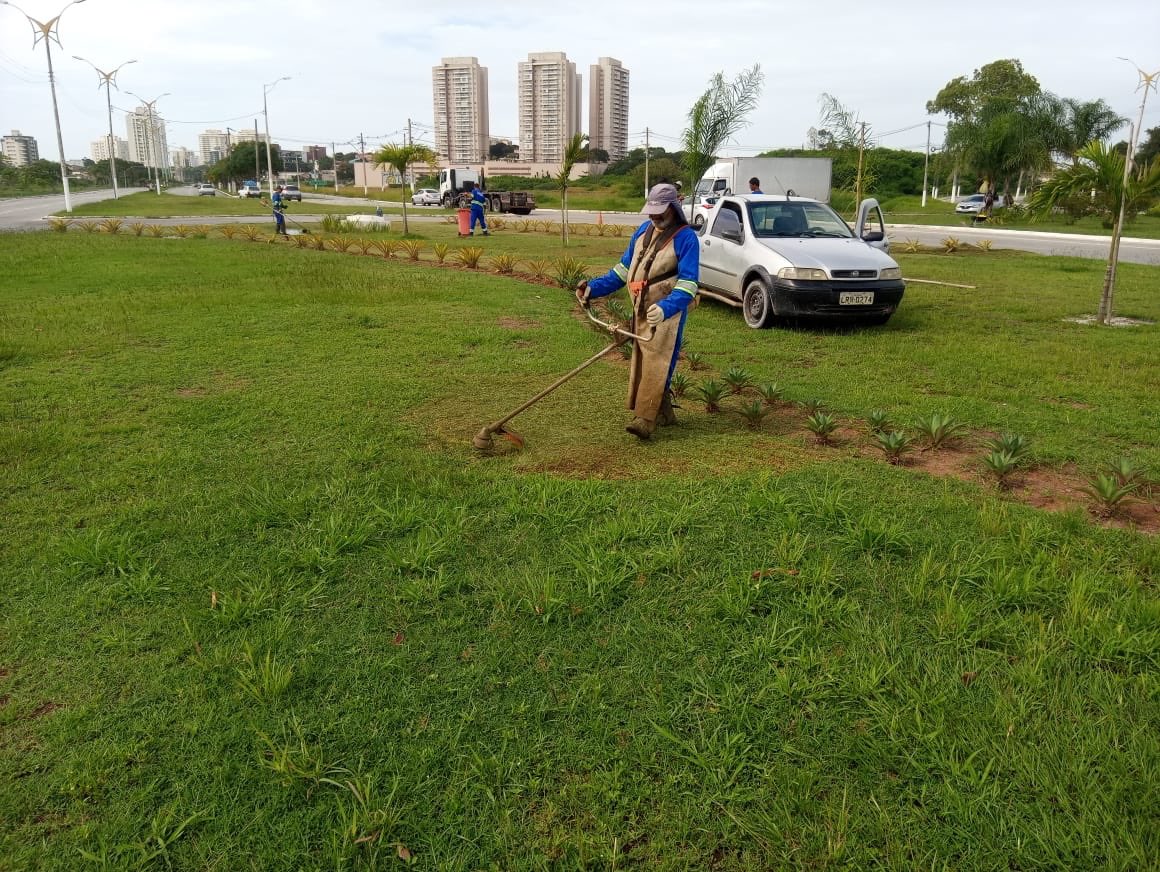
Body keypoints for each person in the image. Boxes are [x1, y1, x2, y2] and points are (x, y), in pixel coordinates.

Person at [575, 183, 699, 440]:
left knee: (658, 361)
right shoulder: (643, 231)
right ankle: (663, 412)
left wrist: (666, 308)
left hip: (667, 314)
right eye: (651, 212)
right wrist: (594, 288)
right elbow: (622, 271)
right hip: (640, 309)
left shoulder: (687, 238)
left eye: (660, 212)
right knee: (644, 362)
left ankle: (645, 420)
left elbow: (689, 284)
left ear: (673, 208)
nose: (654, 217)